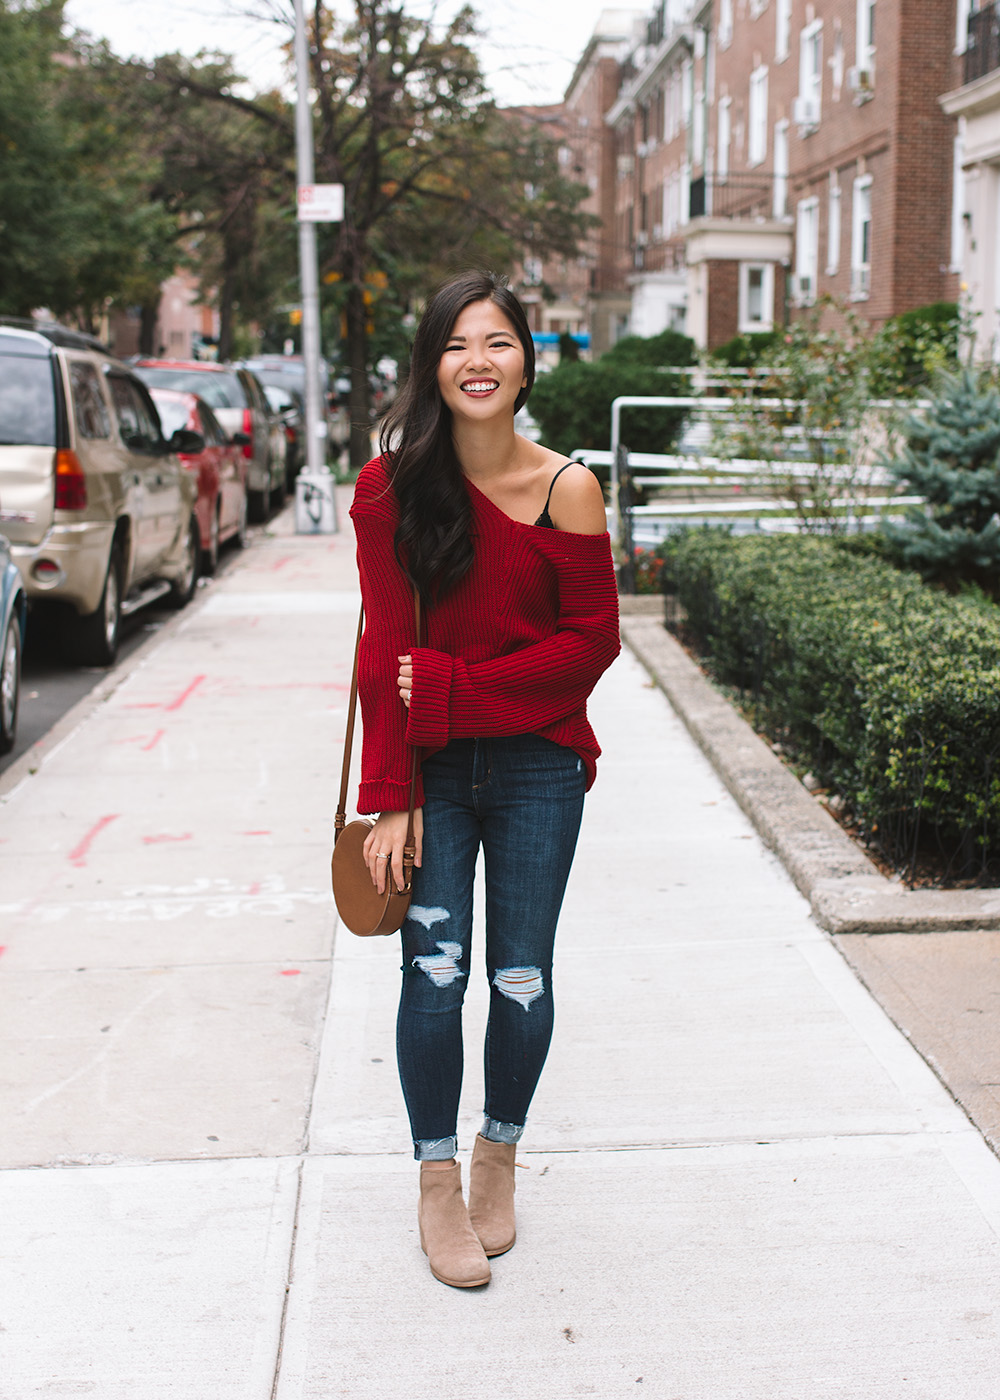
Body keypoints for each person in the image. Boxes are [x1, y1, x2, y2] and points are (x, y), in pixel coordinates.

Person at [349, 270, 620, 1288]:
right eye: (457, 342)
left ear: (525, 364)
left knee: (519, 973)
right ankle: (435, 1180)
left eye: (497, 341)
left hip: (540, 769)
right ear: (431, 363)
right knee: (433, 972)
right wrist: (390, 795)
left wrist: (458, 690)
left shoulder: (567, 488)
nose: (477, 359)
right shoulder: (388, 490)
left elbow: (589, 646)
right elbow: (385, 651)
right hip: (427, 774)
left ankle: (498, 1154)